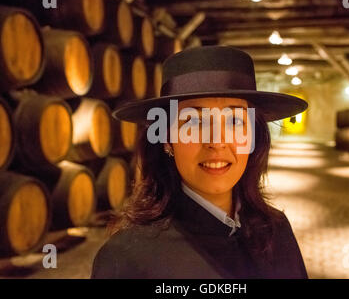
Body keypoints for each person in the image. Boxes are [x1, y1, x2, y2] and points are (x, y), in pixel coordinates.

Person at [91, 45, 308, 279]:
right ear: (167, 140)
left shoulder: (276, 230)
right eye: (194, 123)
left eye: (235, 121)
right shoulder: (126, 257)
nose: (217, 142)